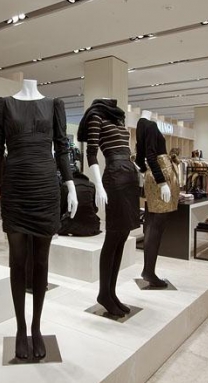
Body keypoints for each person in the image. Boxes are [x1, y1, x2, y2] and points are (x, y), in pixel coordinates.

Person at [0, 79, 77, 360]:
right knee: (17, 261)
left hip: (45, 188)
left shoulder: (54, 105)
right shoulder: (4, 105)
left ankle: (36, 327)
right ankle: (21, 328)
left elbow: (62, 148)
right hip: (16, 186)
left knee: (41, 262)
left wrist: (71, 185)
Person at [77, 98, 140, 317]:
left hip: (129, 175)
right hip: (114, 176)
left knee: (123, 235)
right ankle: (104, 293)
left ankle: (111, 293)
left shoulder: (118, 117)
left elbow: (125, 148)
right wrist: (99, 185)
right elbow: (91, 153)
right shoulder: (96, 116)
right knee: (113, 235)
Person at [135, 109, 179, 288]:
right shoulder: (151, 125)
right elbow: (151, 155)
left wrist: (145, 173)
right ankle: (149, 272)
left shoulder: (140, 125)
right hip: (161, 173)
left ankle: (148, 270)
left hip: (153, 174)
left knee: (151, 223)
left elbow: (140, 157)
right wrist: (162, 182)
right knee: (157, 226)